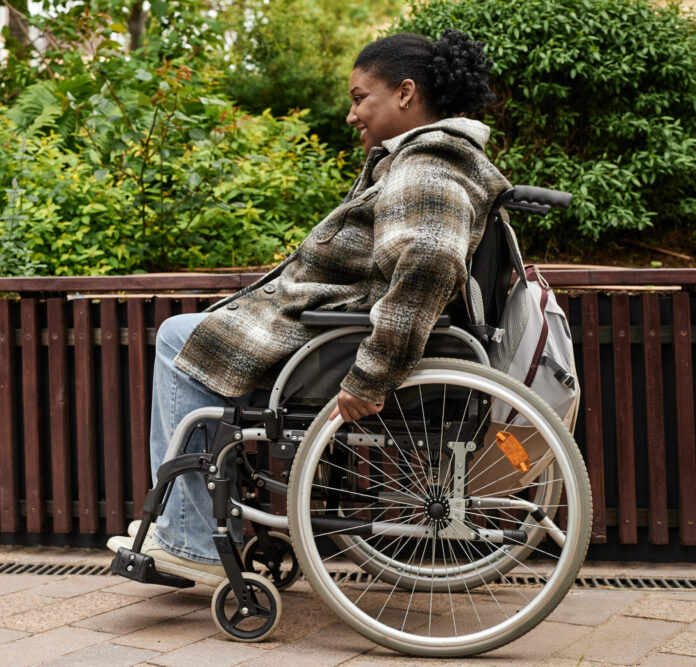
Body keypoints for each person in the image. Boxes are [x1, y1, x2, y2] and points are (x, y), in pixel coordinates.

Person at [107, 29, 512, 586]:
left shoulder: (427, 161)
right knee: (191, 334)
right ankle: (192, 528)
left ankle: (189, 538)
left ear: (405, 93)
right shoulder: (433, 159)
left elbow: (428, 262)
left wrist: (373, 375)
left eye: (358, 96)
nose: (352, 114)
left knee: (179, 336)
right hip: (335, 328)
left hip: (337, 343)